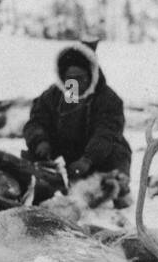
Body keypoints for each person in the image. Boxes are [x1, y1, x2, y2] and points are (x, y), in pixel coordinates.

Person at [24, 39, 133, 206]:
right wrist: (40, 141)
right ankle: (42, 188)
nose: (74, 84)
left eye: (80, 78)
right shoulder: (54, 96)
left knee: (117, 151)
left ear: (90, 75)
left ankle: (120, 188)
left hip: (98, 155)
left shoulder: (107, 99)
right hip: (68, 153)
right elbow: (36, 121)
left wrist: (88, 159)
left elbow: (107, 133)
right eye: (70, 79)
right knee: (32, 159)